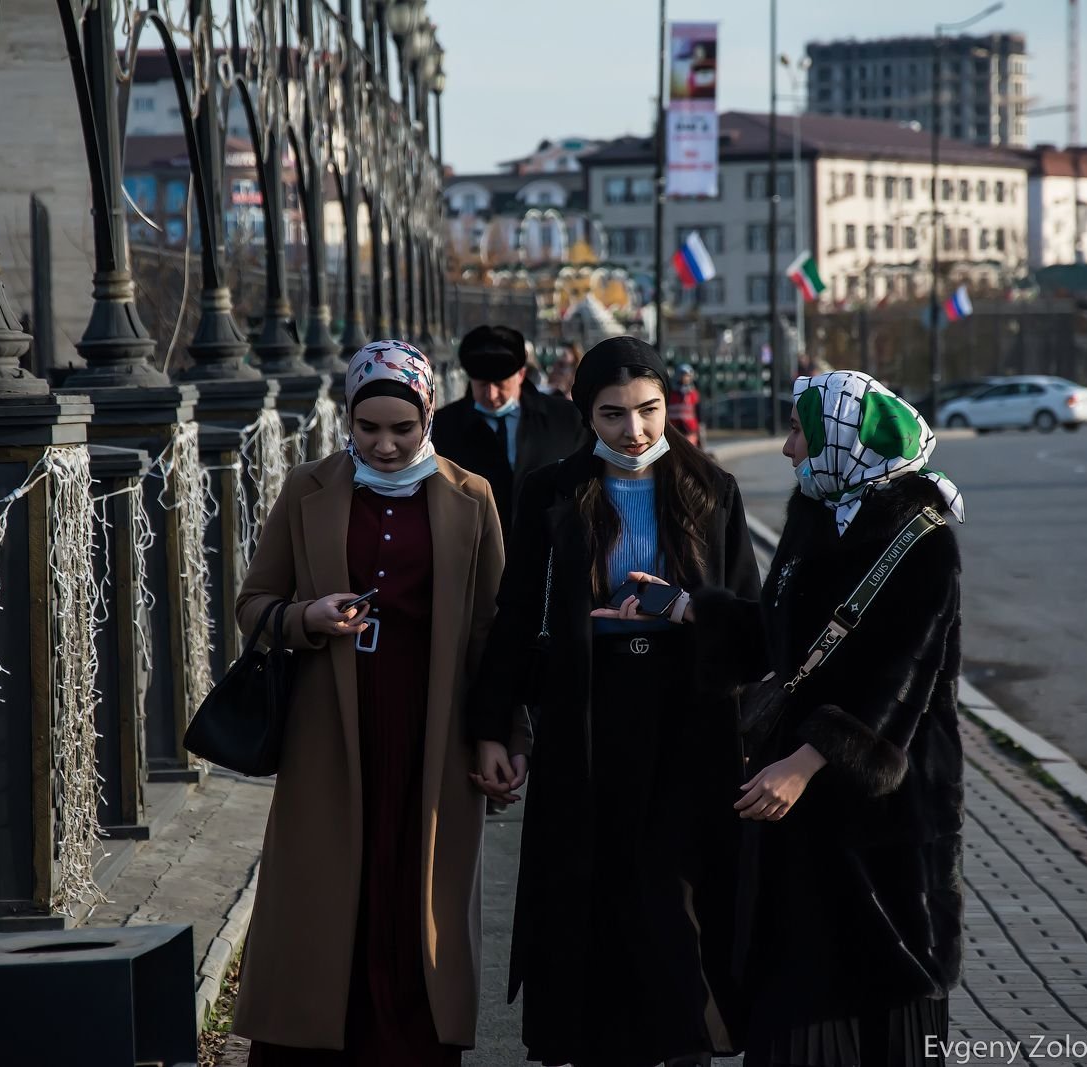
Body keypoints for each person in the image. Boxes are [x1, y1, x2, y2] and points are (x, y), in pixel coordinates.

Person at [232, 339, 526, 1065]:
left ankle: (412, 1047)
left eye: (404, 427)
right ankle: (309, 1043)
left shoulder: (471, 495)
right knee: (328, 889)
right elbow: (253, 604)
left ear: (429, 413)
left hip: (434, 727)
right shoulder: (308, 487)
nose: (387, 445)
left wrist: (501, 735)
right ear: (348, 421)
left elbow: (496, 630)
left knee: (419, 891)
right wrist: (308, 616)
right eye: (370, 429)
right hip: (330, 727)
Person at [469, 336, 761, 1067]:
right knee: (590, 896)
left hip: (689, 715)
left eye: (649, 410)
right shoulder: (550, 490)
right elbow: (512, 616)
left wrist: (684, 608)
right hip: (587, 714)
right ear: (584, 414)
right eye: (613, 415)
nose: (634, 430)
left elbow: (752, 624)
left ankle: (687, 1042)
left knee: (678, 897)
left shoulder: (712, 487)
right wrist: (496, 729)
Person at [689, 370, 968, 1067]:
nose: (788, 448)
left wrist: (806, 760)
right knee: (797, 1003)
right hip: (802, 819)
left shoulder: (920, 534)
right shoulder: (817, 510)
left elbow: (898, 684)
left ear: (847, 442)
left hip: (884, 824)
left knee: (884, 1006)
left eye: (799, 432)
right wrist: (686, 609)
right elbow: (789, 643)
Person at [432, 325, 588, 538]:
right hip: (476, 548)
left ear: (521, 375)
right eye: (482, 384)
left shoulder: (567, 420)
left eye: (499, 383)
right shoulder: (444, 427)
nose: (491, 394)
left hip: (550, 550)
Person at [667, 363, 703, 447]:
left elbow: (698, 411)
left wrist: (700, 428)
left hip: (690, 429)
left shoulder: (693, 393)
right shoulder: (671, 393)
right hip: (674, 429)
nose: (686, 378)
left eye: (688, 375)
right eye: (684, 375)